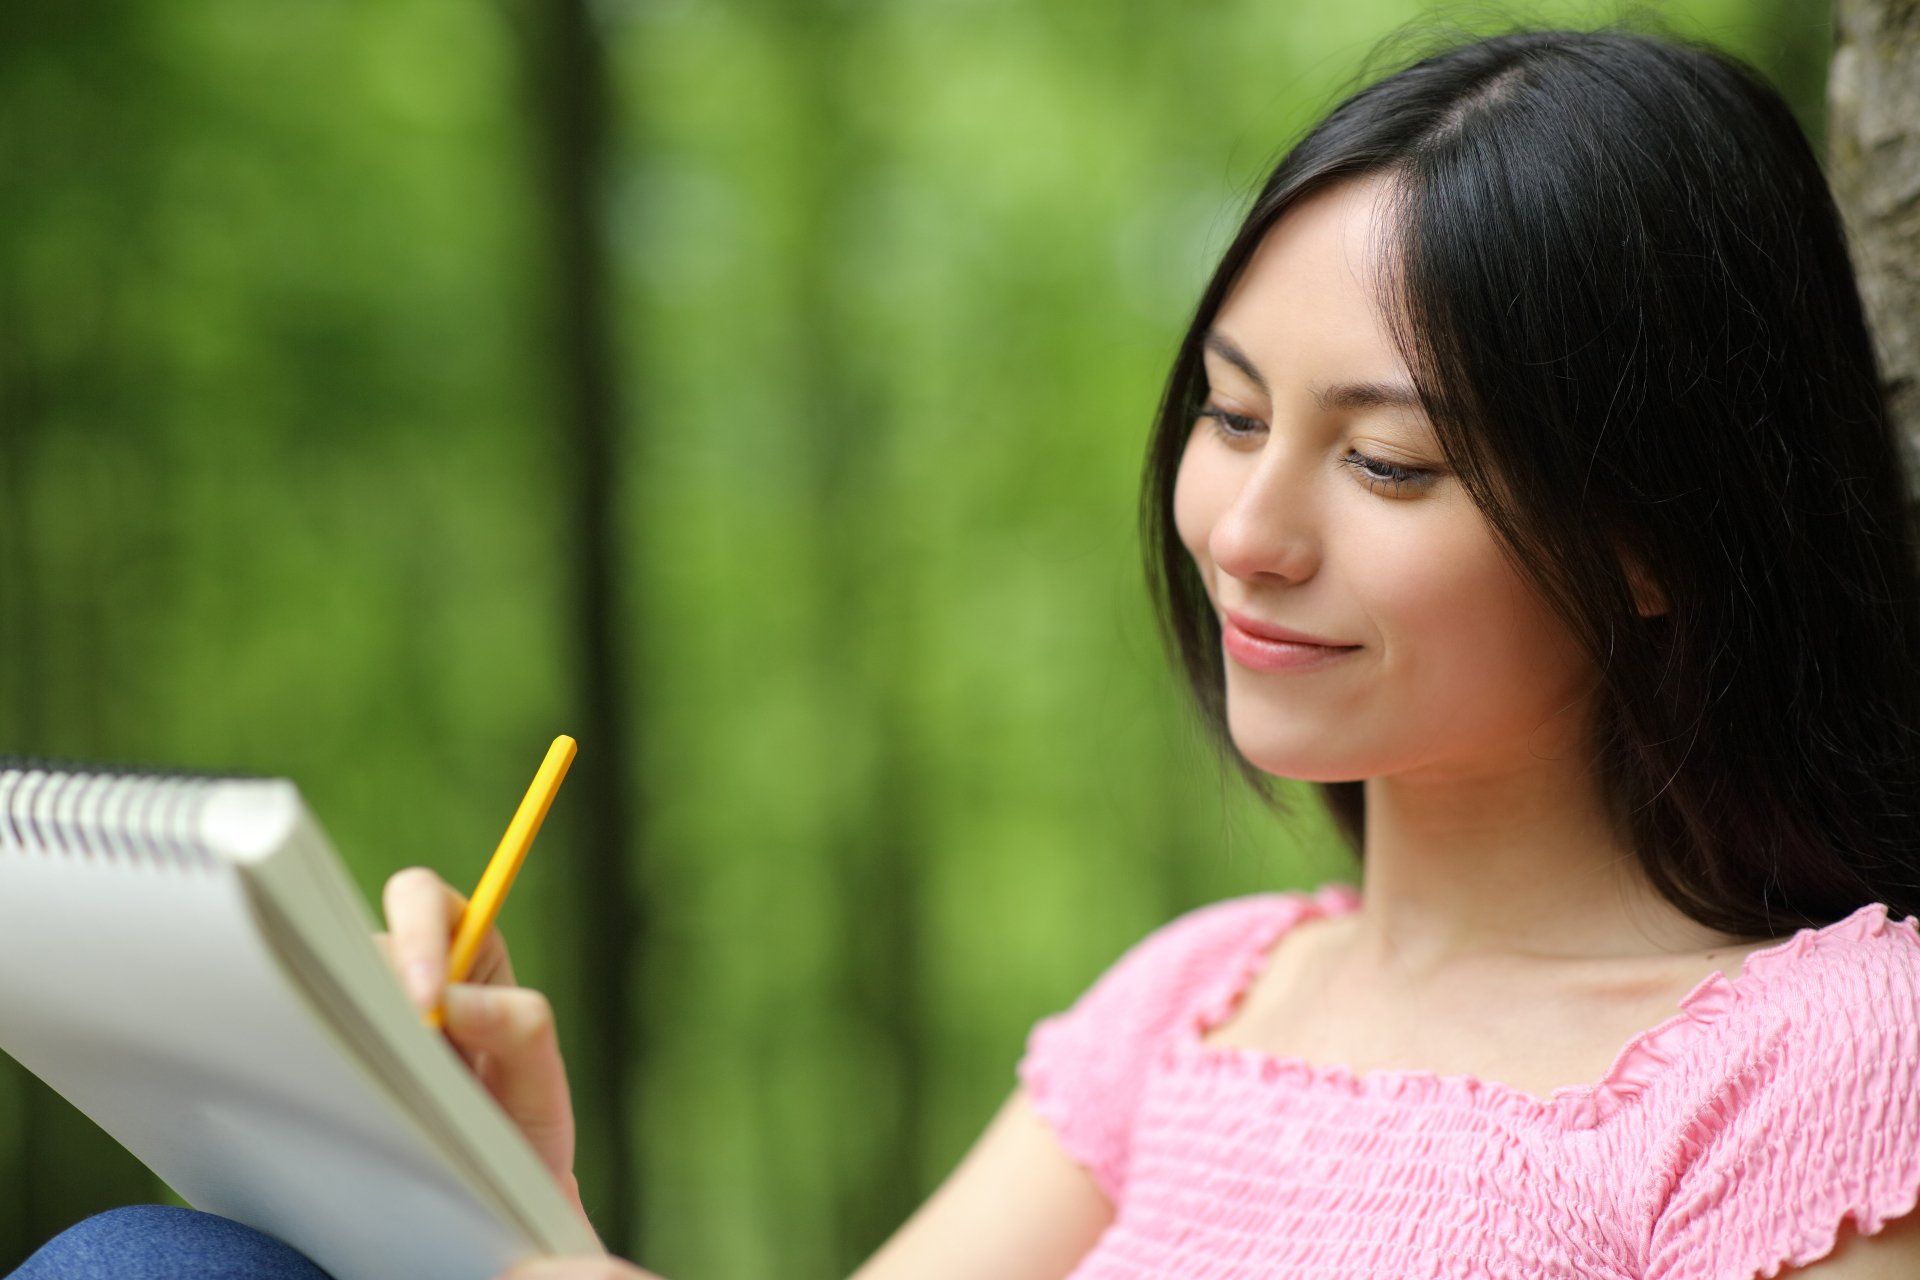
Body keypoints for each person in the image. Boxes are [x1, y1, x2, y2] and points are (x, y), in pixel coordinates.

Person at [20, 16, 1920, 1280]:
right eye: (1234, 415)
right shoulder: (1193, 1003)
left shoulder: (1818, 1066)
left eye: (1392, 461)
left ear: (1653, 537)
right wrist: (514, 1201)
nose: (1249, 530)